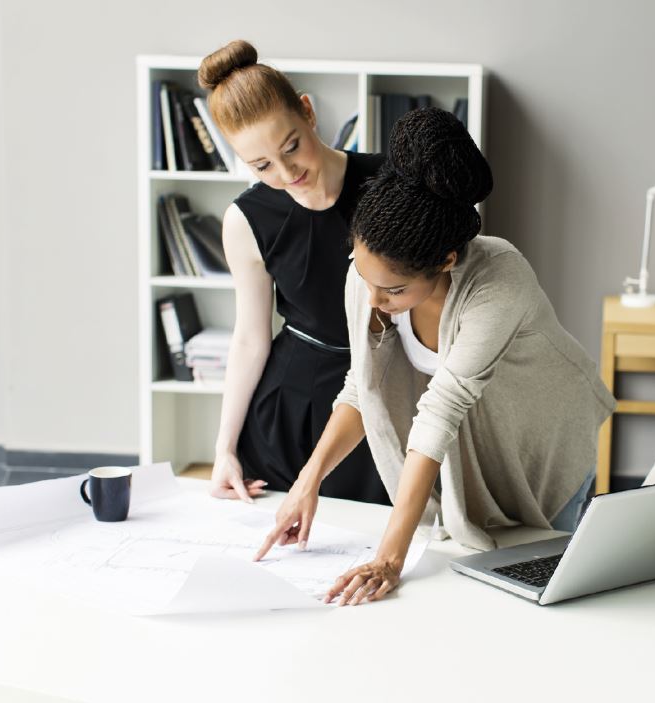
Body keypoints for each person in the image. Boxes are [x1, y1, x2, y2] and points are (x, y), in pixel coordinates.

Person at [254, 107, 616, 606]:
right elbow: (361, 386)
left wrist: (389, 558)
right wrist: (306, 483)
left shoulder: (500, 281)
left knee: (537, 597)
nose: (374, 299)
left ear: (445, 261)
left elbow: (441, 409)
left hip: (539, 444)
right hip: (466, 448)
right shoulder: (366, 278)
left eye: (394, 289)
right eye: (365, 277)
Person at [197, 40, 388, 506]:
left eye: (291, 147)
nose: (286, 173)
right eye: (262, 166)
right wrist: (223, 449)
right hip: (288, 405)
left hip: (380, 388)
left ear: (307, 112)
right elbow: (249, 337)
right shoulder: (246, 219)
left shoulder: (390, 182)